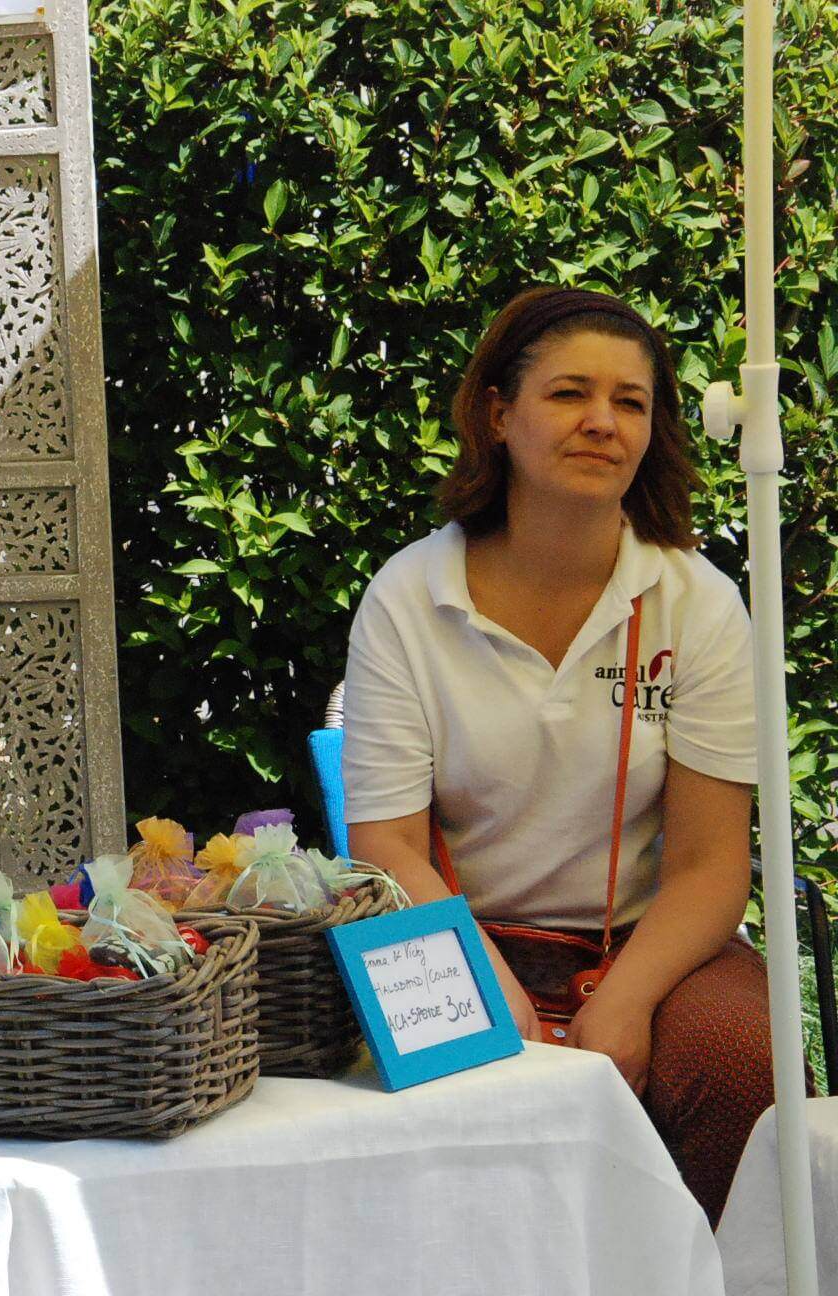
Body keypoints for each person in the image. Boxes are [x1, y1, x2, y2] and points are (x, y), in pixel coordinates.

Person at [342, 285, 775, 1227]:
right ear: (499, 415)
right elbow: (386, 845)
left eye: (631, 402)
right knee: (412, 1096)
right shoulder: (408, 596)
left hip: (651, 947)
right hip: (454, 939)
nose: (602, 422)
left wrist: (624, 1003)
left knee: (740, 1063)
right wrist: (485, 982)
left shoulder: (698, 603)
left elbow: (710, 866)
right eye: (570, 393)